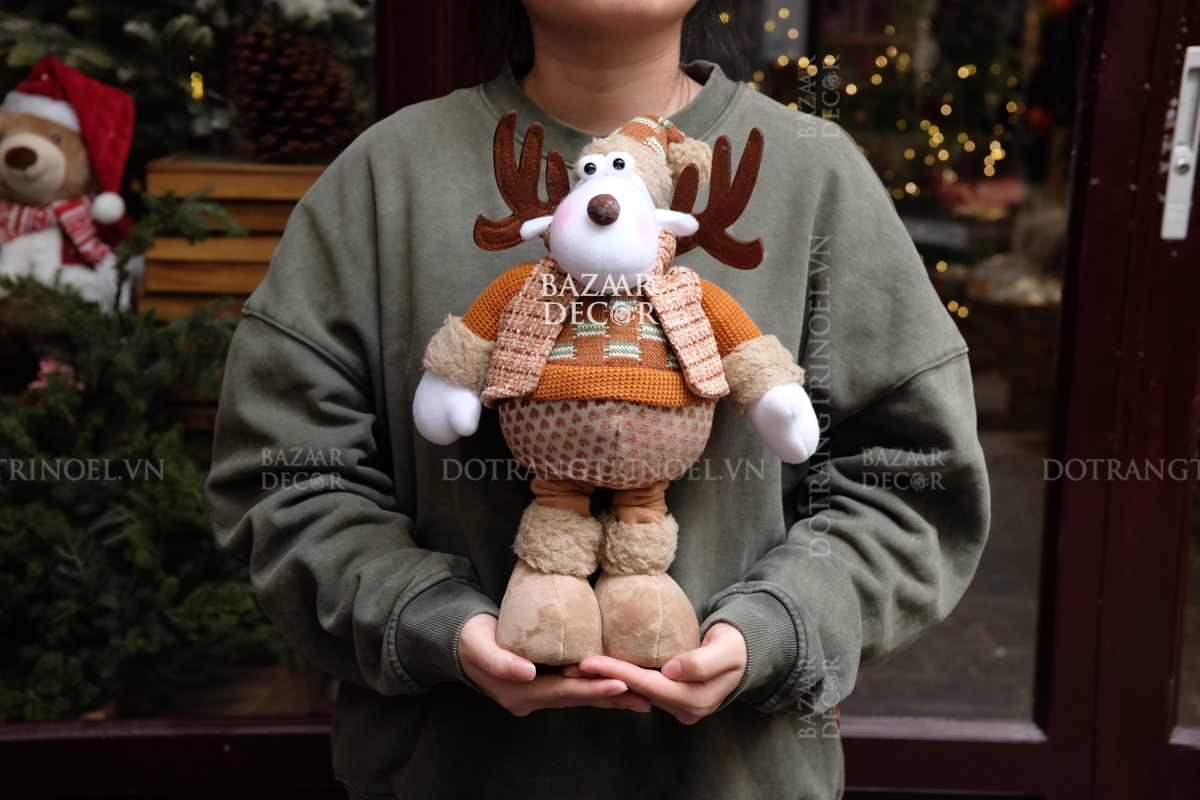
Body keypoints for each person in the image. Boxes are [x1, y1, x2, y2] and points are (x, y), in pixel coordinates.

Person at [204, 1, 991, 797]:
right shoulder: (385, 175)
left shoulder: (817, 176)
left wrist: (781, 626)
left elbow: (912, 484)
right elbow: (286, 480)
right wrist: (426, 617)